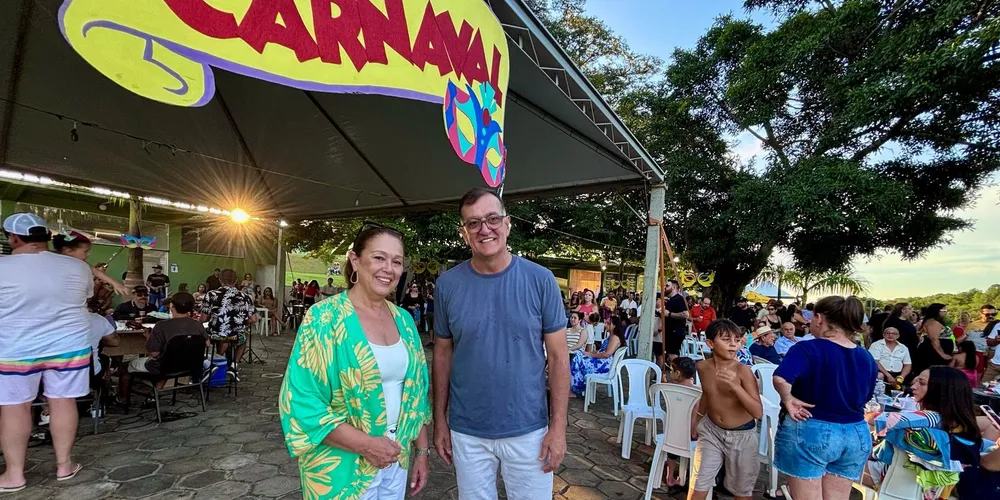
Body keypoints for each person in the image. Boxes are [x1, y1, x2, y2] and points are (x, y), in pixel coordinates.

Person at [433, 188, 568, 499]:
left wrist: (558, 428)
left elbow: (559, 358)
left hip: (528, 429)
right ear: (464, 233)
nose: (485, 229)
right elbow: (442, 355)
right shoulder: (447, 285)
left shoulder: (541, 280)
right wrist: (440, 420)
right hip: (467, 430)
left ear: (507, 224)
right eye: (474, 223)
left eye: (492, 219)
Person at [279, 225, 431, 500]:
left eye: (397, 261)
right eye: (379, 257)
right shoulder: (324, 318)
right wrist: (367, 445)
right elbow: (302, 401)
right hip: (341, 464)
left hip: (396, 456)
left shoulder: (405, 321)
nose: (388, 269)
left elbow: (416, 394)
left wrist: (421, 451)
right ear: (355, 260)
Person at [0, 213, 93, 490]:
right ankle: (64, 465)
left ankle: (14, 475)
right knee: (63, 402)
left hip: (15, 347)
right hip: (68, 345)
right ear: (46, 237)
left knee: (15, 407)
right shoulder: (78, 267)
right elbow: (84, 297)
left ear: (12, 238)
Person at [772, 296, 877, 500]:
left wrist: (788, 399)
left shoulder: (807, 348)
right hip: (856, 433)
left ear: (819, 318)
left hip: (813, 429)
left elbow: (781, 378)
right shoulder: (866, 356)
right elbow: (866, 396)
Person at [865, 367, 986, 496]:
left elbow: (879, 419)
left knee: (849, 458)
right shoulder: (962, 425)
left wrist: (867, 415)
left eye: (921, 383)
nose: (913, 387)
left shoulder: (929, 418)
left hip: (893, 477)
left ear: (941, 390)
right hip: (931, 487)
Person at [689, 319, 763, 500]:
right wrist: (696, 421)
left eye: (737, 340)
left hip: (742, 436)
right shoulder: (702, 367)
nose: (733, 344)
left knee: (741, 492)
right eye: (726, 339)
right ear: (710, 343)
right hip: (711, 431)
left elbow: (757, 412)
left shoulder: (743, 371)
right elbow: (707, 394)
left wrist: (735, 387)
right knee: (699, 483)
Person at [119, 292, 209, 400]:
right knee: (168, 360)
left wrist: (148, 337)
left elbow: (154, 353)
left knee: (125, 367)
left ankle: (122, 399)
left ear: (171, 306)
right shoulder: (197, 325)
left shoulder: (161, 326)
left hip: (165, 367)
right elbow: (207, 344)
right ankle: (154, 396)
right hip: (191, 366)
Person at [199, 269, 257, 380]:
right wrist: (241, 321)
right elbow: (253, 319)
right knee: (242, 340)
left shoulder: (211, 294)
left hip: (215, 335)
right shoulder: (246, 296)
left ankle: (210, 364)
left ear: (220, 280)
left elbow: (203, 318)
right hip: (236, 335)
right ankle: (233, 366)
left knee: (202, 338)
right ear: (236, 281)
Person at [662, 356, 698, 490]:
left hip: (671, 434)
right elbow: (696, 416)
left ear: (677, 373)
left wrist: (664, 383)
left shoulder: (670, 389)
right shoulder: (698, 392)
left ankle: (669, 476)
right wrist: (694, 432)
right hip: (690, 435)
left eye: (671, 370)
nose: (669, 373)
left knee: (674, 444)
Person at [570, 317, 625, 395]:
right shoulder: (611, 336)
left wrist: (591, 355)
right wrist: (589, 353)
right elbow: (602, 351)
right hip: (601, 360)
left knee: (577, 359)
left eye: (608, 323)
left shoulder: (615, 338)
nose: (605, 325)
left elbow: (607, 354)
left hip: (604, 365)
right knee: (578, 355)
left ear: (614, 326)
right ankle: (579, 386)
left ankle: (577, 387)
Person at [908, 303, 954, 383]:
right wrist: (942, 354)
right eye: (943, 310)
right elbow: (934, 339)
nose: (945, 312)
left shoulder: (936, 321)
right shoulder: (933, 322)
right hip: (933, 353)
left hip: (937, 351)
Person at [663, 279, 689, 364]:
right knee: (669, 354)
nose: (665, 287)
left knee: (672, 354)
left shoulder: (679, 299)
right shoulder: (670, 300)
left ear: (674, 287)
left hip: (676, 331)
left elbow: (686, 314)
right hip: (670, 331)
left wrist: (670, 314)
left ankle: (676, 370)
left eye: (667, 286)